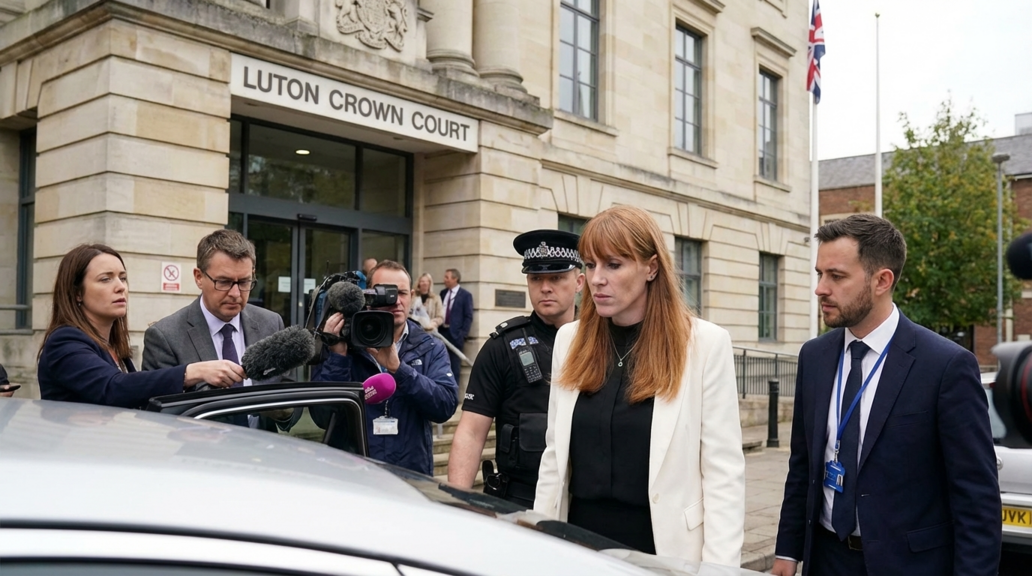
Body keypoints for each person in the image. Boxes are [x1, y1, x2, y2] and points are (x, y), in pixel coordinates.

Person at [771, 214, 1000, 576]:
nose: (820, 289)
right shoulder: (814, 357)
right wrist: (787, 550)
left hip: (909, 566)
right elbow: (802, 466)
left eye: (836, 276)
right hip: (826, 560)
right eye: (819, 274)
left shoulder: (945, 366)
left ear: (882, 280)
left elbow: (976, 497)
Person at [534, 206, 744, 565]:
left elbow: (723, 474)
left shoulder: (704, 344)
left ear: (651, 268)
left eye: (613, 265)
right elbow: (554, 458)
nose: (597, 279)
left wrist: (719, 569)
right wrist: (538, 547)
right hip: (577, 545)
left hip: (662, 549)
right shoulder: (569, 340)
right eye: (590, 264)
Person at [447, 229, 584, 507]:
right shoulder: (501, 347)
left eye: (556, 277)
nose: (545, 287)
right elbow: (471, 432)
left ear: (579, 281)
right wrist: (457, 504)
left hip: (585, 501)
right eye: (536, 279)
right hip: (520, 500)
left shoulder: (601, 342)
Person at [38, 244, 244, 408]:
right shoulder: (64, 342)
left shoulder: (113, 346)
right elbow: (112, 388)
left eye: (123, 278)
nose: (120, 287)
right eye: (105, 279)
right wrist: (192, 372)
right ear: (77, 293)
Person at [315, 260, 458, 475]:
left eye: (402, 293)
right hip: (353, 474)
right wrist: (338, 357)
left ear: (411, 295)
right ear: (368, 296)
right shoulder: (343, 344)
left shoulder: (429, 346)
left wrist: (399, 370)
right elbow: (321, 416)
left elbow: (445, 406)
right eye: (387, 293)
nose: (396, 301)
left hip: (410, 474)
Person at [143, 230, 284, 381]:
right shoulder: (165, 337)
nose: (235, 293)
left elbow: (287, 388)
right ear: (199, 277)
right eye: (224, 282)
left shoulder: (271, 324)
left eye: (244, 282)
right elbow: (160, 394)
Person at [440, 268, 473, 382]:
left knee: (454, 367)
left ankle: (453, 392)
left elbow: (468, 316)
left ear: (455, 279)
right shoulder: (443, 293)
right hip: (442, 334)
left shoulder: (465, 295)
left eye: (447, 277)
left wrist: (462, 335)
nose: (444, 280)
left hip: (455, 336)